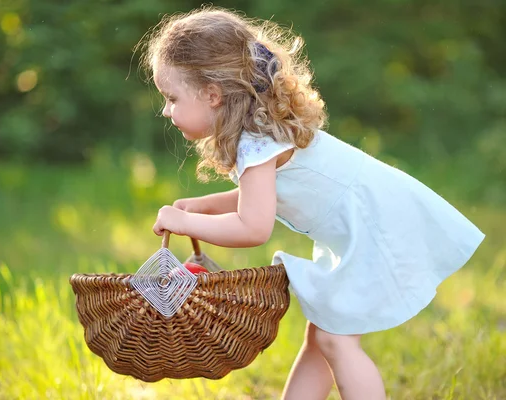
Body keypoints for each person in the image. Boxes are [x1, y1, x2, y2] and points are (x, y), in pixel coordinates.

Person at [142, 6, 485, 400]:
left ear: (213, 95)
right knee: (322, 335)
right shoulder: (255, 130)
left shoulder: (256, 142)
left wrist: (186, 224)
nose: (166, 110)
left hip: (375, 225)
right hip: (365, 220)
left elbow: (254, 227)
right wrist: (204, 207)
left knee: (336, 341)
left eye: (171, 98)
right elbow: (265, 196)